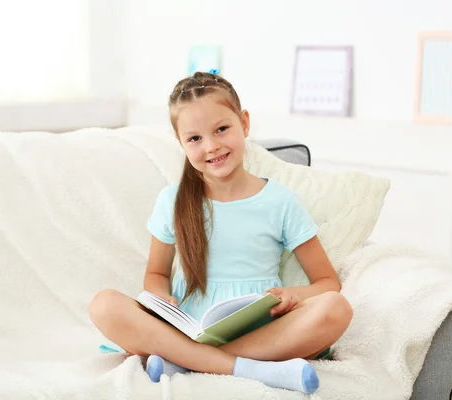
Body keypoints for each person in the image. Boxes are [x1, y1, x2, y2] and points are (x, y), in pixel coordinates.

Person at [88, 70, 353, 395]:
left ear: (244, 123)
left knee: (335, 308)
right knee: (104, 305)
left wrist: (294, 295)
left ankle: (183, 361)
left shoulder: (281, 202)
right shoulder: (173, 200)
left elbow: (328, 283)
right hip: (187, 328)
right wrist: (160, 298)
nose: (211, 146)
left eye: (222, 129)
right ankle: (247, 367)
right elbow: (156, 273)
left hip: (259, 328)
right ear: (181, 143)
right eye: (195, 138)